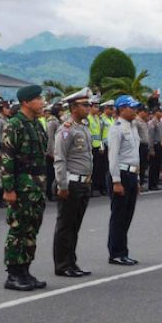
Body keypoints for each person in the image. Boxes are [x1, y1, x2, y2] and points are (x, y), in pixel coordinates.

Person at [0, 85, 48, 291]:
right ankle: (13, 274)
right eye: (38, 98)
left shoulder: (36, 125)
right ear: (26, 102)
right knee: (18, 228)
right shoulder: (14, 125)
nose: (42, 102)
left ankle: (25, 270)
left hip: (36, 184)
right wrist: (8, 188)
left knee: (32, 228)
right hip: (21, 184)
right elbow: (7, 159)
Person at [53, 88, 93, 277]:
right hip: (71, 183)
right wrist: (62, 185)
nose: (89, 108)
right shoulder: (66, 130)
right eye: (85, 105)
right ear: (73, 107)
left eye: (89, 104)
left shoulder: (83, 127)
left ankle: (71, 261)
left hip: (83, 183)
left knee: (75, 225)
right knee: (66, 226)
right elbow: (59, 158)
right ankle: (62, 265)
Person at [107, 95, 142, 266]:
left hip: (131, 174)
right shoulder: (117, 128)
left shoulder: (133, 127)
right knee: (119, 216)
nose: (135, 110)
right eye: (132, 107)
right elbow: (113, 157)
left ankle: (123, 251)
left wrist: (138, 179)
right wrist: (116, 181)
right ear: (122, 109)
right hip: (121, 174)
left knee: (127, 216)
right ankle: (115, 253)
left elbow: (135, 156)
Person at [134, 106, 150, 192]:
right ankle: (138, 183)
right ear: (141, 112)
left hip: (145, 145)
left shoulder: (144, 121)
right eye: (145, 112)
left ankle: (142, 183)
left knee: (144, 165)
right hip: (139, 145)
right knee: (139, 164)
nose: (147, 114)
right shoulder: (136, 121)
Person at [148, 106, 162, 190]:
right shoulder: (152, 123)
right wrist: (151, 149)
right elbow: (151, 137)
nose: (161, 113)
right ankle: (151, 184)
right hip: (155, 145)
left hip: (159, 145)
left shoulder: (159, 122)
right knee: (153, 166)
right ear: (156, 112)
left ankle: (156, 183)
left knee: (158, 165)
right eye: (160, 111)